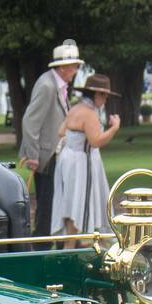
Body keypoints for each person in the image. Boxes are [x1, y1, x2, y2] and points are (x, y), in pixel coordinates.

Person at [19, 38, 83, 239]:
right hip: (47, 157)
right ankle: (41, 247)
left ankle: (47, 244)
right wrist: (33, 155)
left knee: (54, 204)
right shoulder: (47, 85)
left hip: (55, 155)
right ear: (63, 67)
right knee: (46, 206)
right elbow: (30, 122)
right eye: (73, 66)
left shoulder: (56, 84)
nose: (76, 70)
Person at [51, 73, 120, 238]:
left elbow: (62, 131)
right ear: (96, 94)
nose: (105, 100)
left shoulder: (75, 109)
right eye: (104, 95)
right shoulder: (89, 114)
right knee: (80, 202)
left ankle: (74, 243)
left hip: (68, 159)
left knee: (70, 201)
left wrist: (75, 140)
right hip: (82, 161)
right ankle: (77, 243)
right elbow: (96, 141)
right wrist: (114, 128)